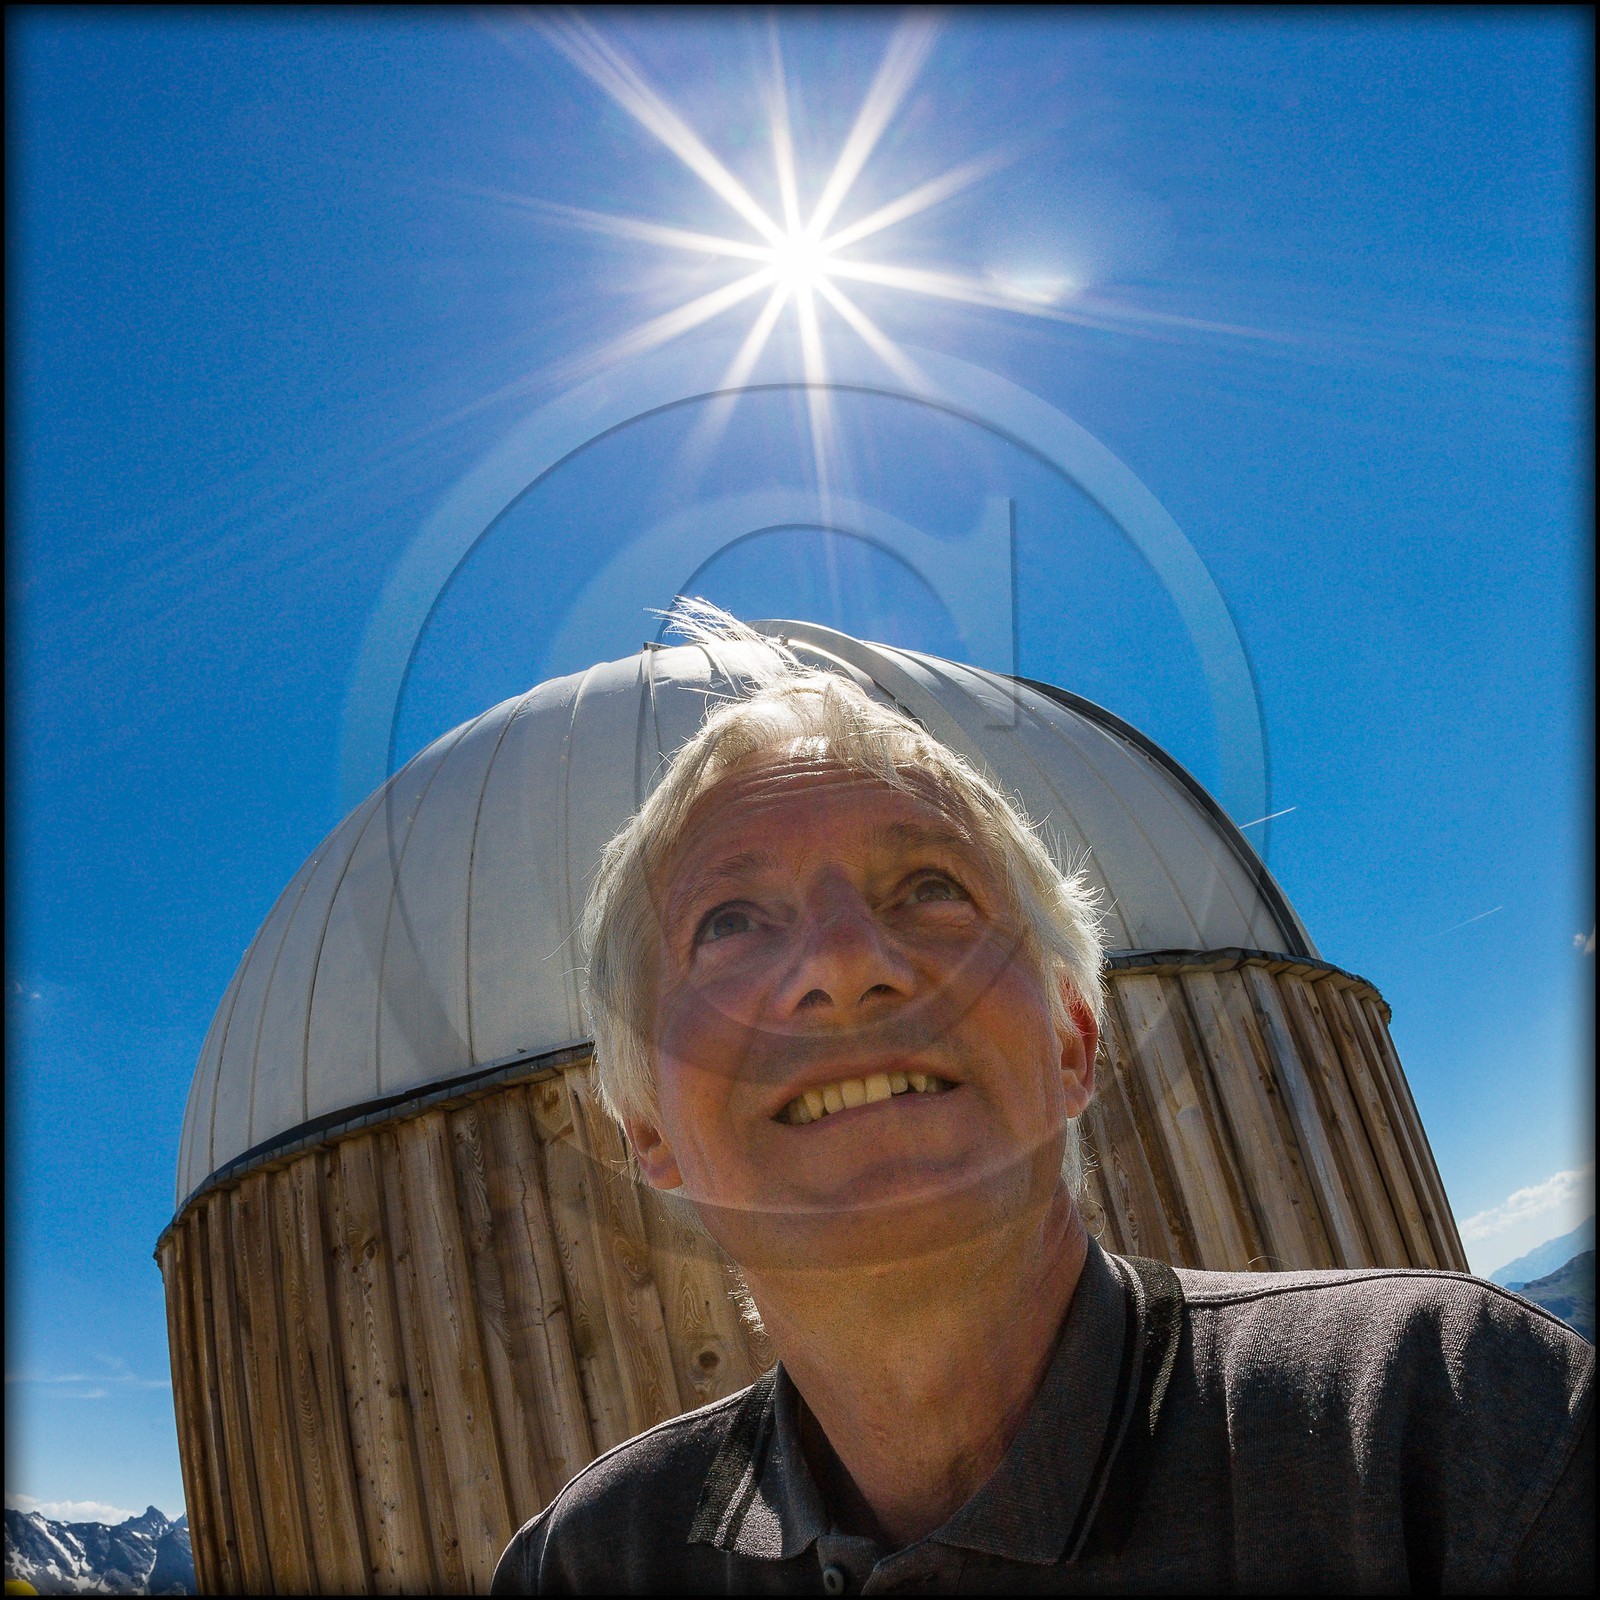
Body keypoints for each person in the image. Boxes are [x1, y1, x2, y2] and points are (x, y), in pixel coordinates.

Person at [493, 603, 1592, 1595]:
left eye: (930, 886)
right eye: (728, 921)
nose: (842, 960)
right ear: (646, 1129)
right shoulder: (585, 1564)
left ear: (1075, 1041)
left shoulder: (1435, 1425)